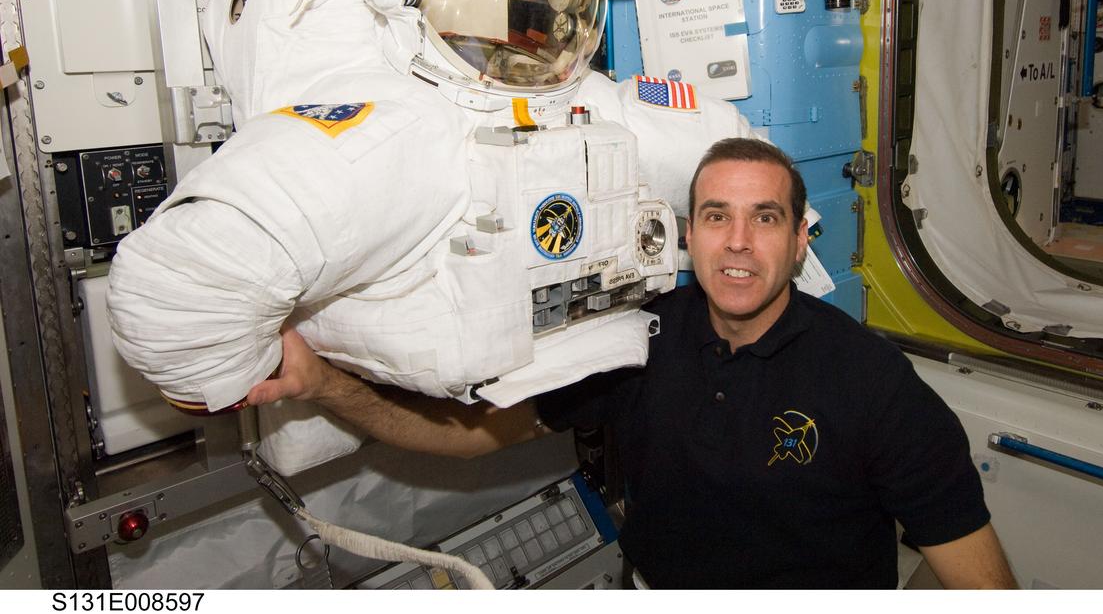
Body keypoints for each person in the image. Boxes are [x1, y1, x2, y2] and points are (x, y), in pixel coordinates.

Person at [247, 137, 1017, 589]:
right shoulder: (633, 341)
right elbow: (476, 433)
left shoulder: (873, 385)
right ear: (688, 237)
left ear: (799, 240)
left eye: (766, 218)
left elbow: (978, 580)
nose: (739, 242)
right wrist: (323, 385)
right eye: (717, 217)